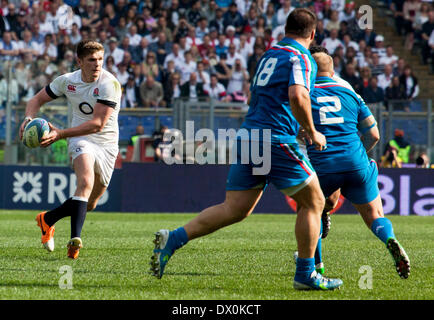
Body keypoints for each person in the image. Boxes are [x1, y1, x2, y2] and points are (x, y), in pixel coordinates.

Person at [149, 8, 343, 290]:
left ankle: (174, 238)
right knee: (315, 202)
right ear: (312, 35)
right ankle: (306, 274)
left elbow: (267, 97)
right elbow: (297, 95)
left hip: (251, 134)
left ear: (285, 28)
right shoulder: (302, 57)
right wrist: (312, 131)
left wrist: (295, 124)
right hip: (275, 139)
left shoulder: (270, 54)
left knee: (235, 209)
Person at [307, 51, 410, 279]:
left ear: (311, 71)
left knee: (311, 212)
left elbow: (296, 131)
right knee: (374, 214)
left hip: (324, 165)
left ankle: (317, 268)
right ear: (333, 71)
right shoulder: (350, 93)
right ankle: (390, 239)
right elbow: (374, 134)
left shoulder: (304, 93)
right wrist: (357, 155)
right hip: (356, 162)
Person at [19, 40, 122, 259]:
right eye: (92, 60)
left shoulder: (109, 84)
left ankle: (47, 219)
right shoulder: (67, 81)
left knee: (91, 203)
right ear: (79, 61)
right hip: (80, 138)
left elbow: (98, 125)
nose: (97, 65)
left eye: (101, 60)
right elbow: (36, 100)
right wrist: (28, 118)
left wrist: (60, 134)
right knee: (84, 183)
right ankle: (75, 240)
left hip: (106, 144)